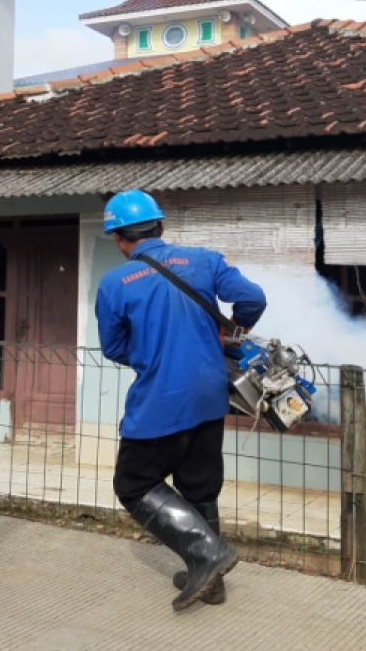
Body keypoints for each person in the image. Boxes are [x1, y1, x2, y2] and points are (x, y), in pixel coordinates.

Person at [95, 189, 267, 611]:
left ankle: (209, 555)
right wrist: (233, 330)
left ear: (119, 238)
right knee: (199, 486)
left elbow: (113, 347)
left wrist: (150, 353)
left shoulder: (115, 283)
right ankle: (210, 579)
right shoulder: (204, 260)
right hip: (211, 396)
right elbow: (253, 299)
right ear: (161, 227)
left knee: (133, 484)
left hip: (161, 399)